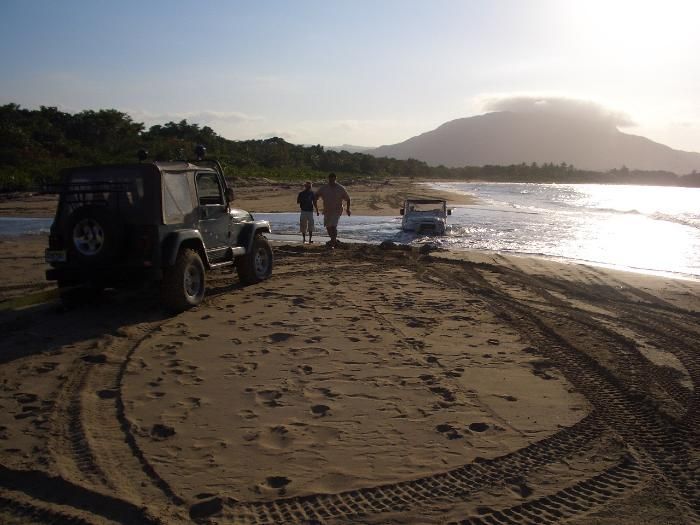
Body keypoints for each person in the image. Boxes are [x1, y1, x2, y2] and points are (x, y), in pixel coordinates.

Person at [314, 172, 351, 248]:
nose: (332, 181)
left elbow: (348, 199)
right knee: (328, 226)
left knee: (333, 226)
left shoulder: (340, 188)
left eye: (333, 180)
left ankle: (333, 243)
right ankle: (333, 240)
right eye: (330, 180)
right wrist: (316, 201)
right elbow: (316, 195)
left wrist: (348, 209)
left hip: (337, 210)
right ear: (328, 179)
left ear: (335, 179)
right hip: (327, 210)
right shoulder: (324, 188)